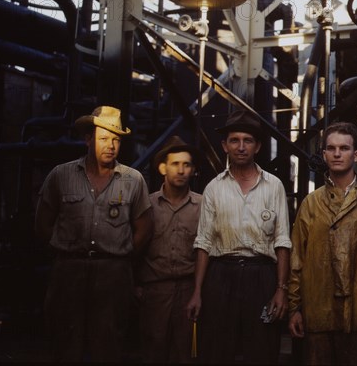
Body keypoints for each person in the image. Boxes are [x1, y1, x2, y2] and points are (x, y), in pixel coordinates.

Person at [34, 105, 153, 362]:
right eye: (103, 138)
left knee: (109, 344)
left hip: (113, 273)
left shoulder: (133, 180)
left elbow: (144, 227)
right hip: (68, 270)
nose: (110, 145)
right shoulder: (61, 175)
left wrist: (122, 256)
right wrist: (64, 252)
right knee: (65, 342)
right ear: (88, 139)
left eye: (116, 139)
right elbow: (42, 223)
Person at [186, 109, 291, 365]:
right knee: (216, 350)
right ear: (225, 145)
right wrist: (198, 291)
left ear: (258, 147)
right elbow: (203, 243)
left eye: (248, 141)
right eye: (234, 140)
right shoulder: (214, 187)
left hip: (261, 276)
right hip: (221, 276)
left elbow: (282, 242)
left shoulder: (274, 186)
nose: (241, 147)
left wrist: (281, 290)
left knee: (263, 350)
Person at [288, 121, 357, 366]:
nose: (337, 154)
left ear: (356, 154)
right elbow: (297, 260)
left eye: (344, 148)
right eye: (331, 148)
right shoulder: (311, 204)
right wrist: (294, 308)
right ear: (324, 154)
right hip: (317, 314)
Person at [136, 135, 202, 363]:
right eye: (175, 164)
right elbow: (134, 247)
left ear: (193, 170)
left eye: (187, 164)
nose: (181, 170)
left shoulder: (203, 206)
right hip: (154, 291)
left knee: (183, 354)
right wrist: (136, 285)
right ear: (162, 167)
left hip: (188, 290)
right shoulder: (147, 205)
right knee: (152, 352)